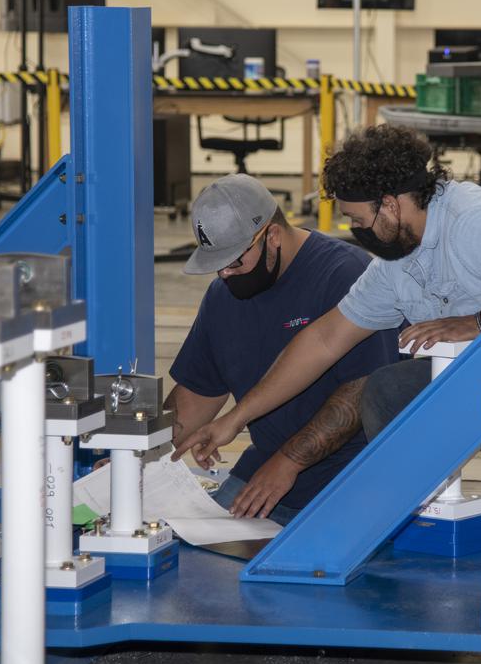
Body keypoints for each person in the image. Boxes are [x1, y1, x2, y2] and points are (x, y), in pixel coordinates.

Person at [176, 125, 481, 538]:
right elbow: (323, 340)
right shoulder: (396, 261)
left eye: (356, 218)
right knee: (390, 391)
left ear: (390, 203)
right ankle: (408, 515)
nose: (352, 230)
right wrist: (233, 421)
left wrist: (477, 322)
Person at [166, 174, 399, 525]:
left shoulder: (345, 276)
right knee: (190, 554)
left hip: (353, 477)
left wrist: (289, 462)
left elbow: (364, 391)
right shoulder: (223, 296)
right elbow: (197, 394)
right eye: (217, 267)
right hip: (264, 468)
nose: (225, 275)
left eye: (234, 262)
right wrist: (138, 452)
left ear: (272, 236)